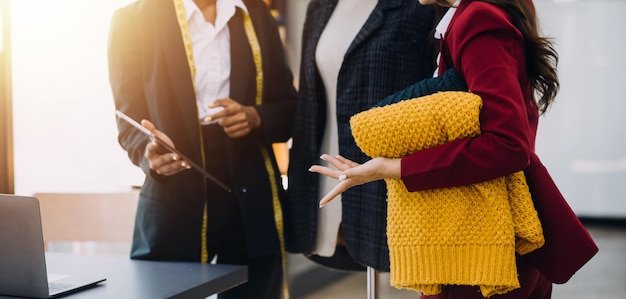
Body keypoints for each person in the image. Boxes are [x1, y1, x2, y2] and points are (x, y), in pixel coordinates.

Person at [309, 0, 563, 297]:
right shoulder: (468, 16)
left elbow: (507, 145)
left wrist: (393, 168)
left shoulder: (478, 18)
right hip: (478, 237)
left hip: (479, 246)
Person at [107, 0, 296, 298]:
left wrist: (256, 117)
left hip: (250, 203)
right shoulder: (133, 21)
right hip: (174, 198)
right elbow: (128, 121)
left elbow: (289, 108)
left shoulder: (256, 13)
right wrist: (149, 153)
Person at [285, 0, 438, 273]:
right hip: (323, 178)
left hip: (388, 186)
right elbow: (307, 102)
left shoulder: (422, 6)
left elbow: (441, 98)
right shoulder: (320, 6)